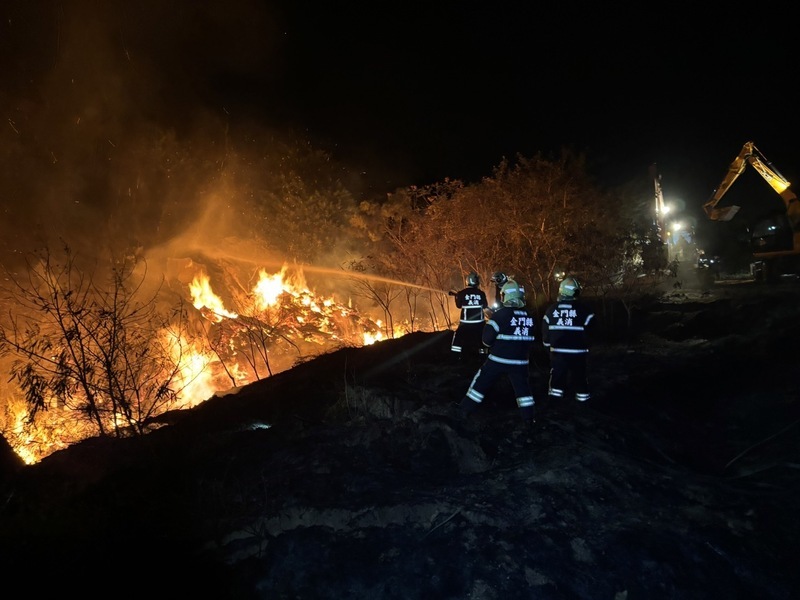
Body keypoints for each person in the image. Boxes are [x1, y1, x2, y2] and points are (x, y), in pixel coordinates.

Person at [458, 279, 536, 427]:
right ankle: (529, 419)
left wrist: (491, 323)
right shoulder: (529, 316)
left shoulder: (500, 315)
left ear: (505, 295)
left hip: (498, 360)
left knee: (480, 383)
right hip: (520, 362)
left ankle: (464, 410)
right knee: (523, 390)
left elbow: (487, 341)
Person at [542, 275, 595, 402]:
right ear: (576, 292)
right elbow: (591, 332)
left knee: (557, 378)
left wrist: (549, 349)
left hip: (558, 354)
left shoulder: (551, 310)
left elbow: (546, 334)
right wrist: (586, 347)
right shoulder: (585, 311)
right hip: (579, 353)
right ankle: (583, 402)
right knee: (580, 377)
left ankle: (555, 404)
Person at [449, 271, 489, 360]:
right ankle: (484, 358)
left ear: (468, 281)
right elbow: (485, 305)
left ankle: (454, 358)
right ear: (476, 282)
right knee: (482, 340)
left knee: (457, 340)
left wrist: (457, 297)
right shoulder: (481, 293)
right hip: (479, 324)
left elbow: (459, 306)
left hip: (465, 325)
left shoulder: (462, 293)